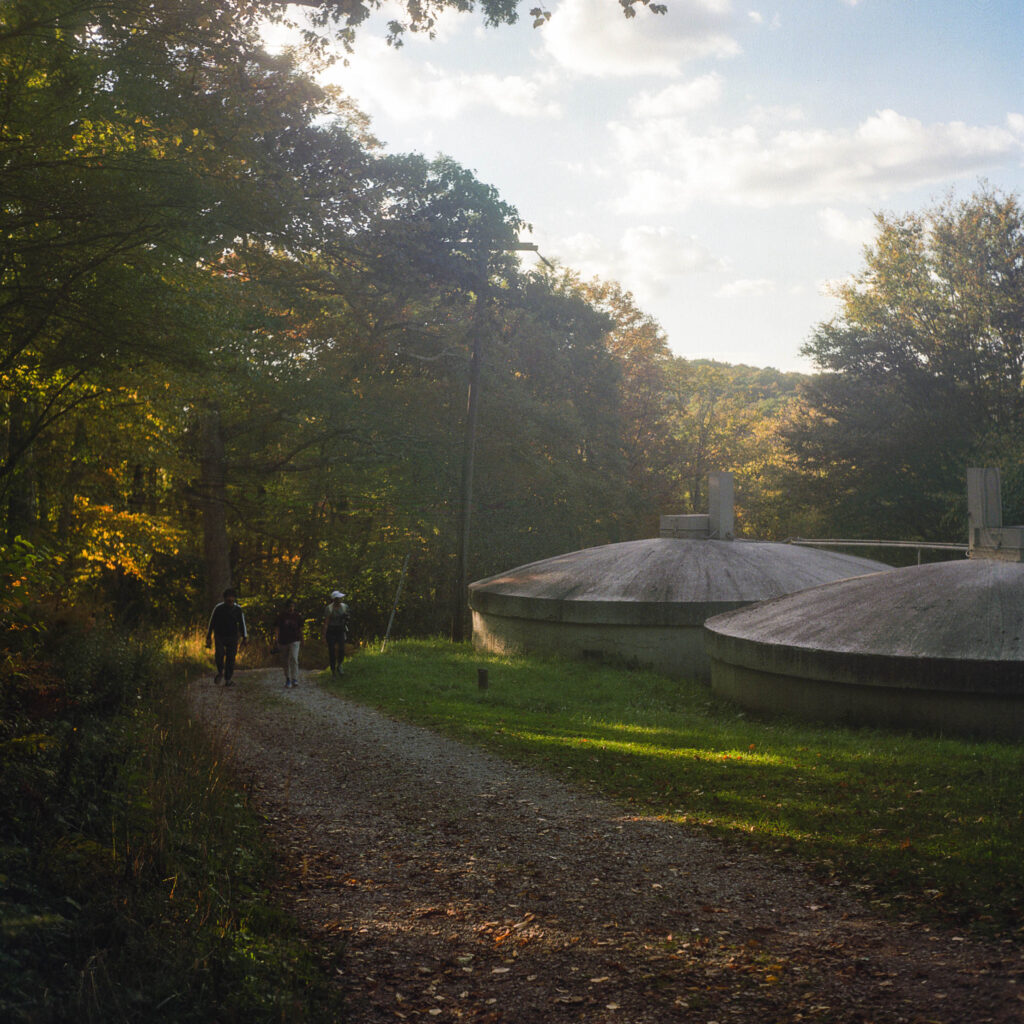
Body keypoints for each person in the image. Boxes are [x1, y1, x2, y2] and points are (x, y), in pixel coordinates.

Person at [205, 588, 247, 686]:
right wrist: (208, 636)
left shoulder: (238, 609)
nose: (230, 600)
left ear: (234, 599)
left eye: (232, 598)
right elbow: (212, 622)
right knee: (219, 654)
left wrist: (245, 637)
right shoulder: (218, 608)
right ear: (225, 598)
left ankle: (228, 679)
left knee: (231, 657)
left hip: (233, 636)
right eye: (228, 598)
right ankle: (220, 671)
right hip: (219, 635)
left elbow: (242, 624)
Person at [274, 599, 303, 689]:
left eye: (293, 606)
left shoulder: (297, 616)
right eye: (290, 606)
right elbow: (277, 628)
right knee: (285, 660)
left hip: (295, 639)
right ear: (286, 607)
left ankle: (295, 678)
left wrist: (303, 639)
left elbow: (301, 628)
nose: (291, 608)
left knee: (294, 658)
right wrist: (276, 639)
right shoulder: (281, 616)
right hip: (283, 640)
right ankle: (287, 678)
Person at [322, 590, 349, 675]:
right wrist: (324, 635)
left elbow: (348, 617)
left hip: (340, 630)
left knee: (341, 649)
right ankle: (333, 669)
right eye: (339, 598)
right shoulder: (329, 608)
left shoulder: (344, 607)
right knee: (332, 650)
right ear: (334, 599)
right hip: (331, 630)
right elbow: (326, 622)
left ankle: (339, 665)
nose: (340, 599)